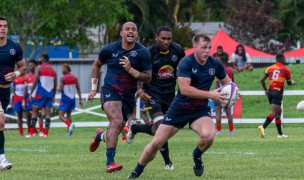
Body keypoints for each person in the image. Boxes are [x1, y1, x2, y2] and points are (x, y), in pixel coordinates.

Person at [128, 34, 231, 178]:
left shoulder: (215, 63)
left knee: (208, 136)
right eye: (203, 48)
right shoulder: (185, 62)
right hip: (179, 109)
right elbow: (185, 90)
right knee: (156, 143)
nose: (207, 51)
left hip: (200, 110)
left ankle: (197, 156)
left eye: (209, 48)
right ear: (195, 47)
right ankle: (136, 171)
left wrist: (233, 92)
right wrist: (211, 95)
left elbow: (228, 83)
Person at [87, 21, 152, 173]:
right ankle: (110, 163)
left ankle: (99, 136)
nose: (130, 31)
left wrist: (131, 70)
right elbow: (96, 65)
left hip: (129, 96)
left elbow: (148, 78)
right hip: (111, 90)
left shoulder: (143, 52)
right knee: (117, 122)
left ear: (136, 34)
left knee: (115, 129)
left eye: (134, 29)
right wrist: (93, 88)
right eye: (127, 29)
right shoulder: (110, 49)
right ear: (121, 33)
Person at [126, 26, 185, 170]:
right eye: (163, 38)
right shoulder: (148, 53)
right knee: (160, 126)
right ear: (156, 37)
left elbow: (184, 71)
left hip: (170, 95)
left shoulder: (178, 51)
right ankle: (168, 162)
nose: (166, 41)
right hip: (151, 94)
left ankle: (135, 128)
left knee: (165, 128)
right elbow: (138, 74)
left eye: (169, 39)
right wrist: (139, 90)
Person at [0, 16, 26, 170]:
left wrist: (15, 74)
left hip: (5, 91)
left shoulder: (14, 47)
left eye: (5, 26)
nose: (3, 28)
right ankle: (2, 159)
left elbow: (23, 68)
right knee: (1, 122)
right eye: (0, 26)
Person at [258, 53, 295, 139]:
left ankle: (280, 134)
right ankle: (263, 127)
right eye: (284, 59)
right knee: (275, 112)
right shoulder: (286, 69)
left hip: (270, 92)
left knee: (278, 112)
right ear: (282, 59)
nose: (285, 60)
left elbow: (262, 79)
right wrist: (293, 82)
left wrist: (265, 90)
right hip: (277, 92)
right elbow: (289, 83)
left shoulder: (269, 68)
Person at [28, 54, 57, 138]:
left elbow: (36, 80)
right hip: (50, 93)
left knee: (34, 112)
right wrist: (54, 96)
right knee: (47, 114)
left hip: (40, 93)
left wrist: (31, 93)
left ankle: (32, 133)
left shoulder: (39, 68)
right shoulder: (53, 70)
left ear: (42, 59)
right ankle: (46, 134)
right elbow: (55, 84)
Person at [57, 64, 82, 136]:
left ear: (67, 69)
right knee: (68, 116)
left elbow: (60, 89)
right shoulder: (74, 77)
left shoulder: (63, 78)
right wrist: (80, 99)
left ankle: (70, 124)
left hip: (65, 99)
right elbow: (78, 89)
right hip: (72, 98)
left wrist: (55, 88)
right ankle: (68, 132)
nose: (62, 70)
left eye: (63, 69)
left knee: (61, 116)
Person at [215, 56, 235, 135]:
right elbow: (233, 83)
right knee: (228, 113)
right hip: (228, 94)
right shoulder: (230, 70)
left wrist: (216, 93)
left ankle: (219, 131)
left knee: (218, 113)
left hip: (219, 93)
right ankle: (231, 131)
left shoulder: (218, 70)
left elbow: (216, 85)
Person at [23, 59, 44, 137]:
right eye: (29, 65)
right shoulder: (27, 76)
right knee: (29, 115)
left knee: (40, 113)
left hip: (38, 96)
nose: (29, 67)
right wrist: (23, 100)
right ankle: (32, 132)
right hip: (30, 98)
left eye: (31, 65)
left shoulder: (39, 75)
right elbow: (25, 88)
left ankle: (41, 131)